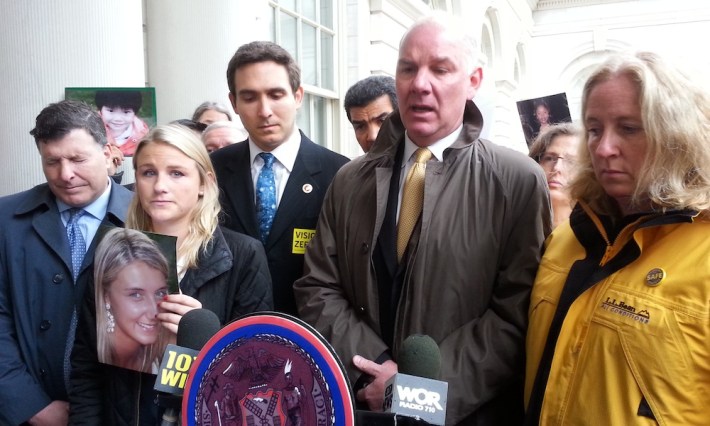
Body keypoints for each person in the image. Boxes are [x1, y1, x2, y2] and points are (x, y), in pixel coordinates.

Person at [294, 13, 550, 425]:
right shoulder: (349, 181)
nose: (420, 84)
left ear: (474, 80)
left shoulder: (517, 181)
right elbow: (318, 285)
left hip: (463, 412)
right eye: (408, 69)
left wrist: (414, 389)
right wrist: (371, 366)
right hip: (363, 403)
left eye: (441, 69)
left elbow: (517, 313)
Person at [524, 51, 710, 425]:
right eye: (594, 129)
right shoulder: (565, 239)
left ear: (675, 134)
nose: (604, 148)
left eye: (628, 128)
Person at [70, 123, 273, 424]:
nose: (160, 186)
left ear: (205, 182)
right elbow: (86, 367)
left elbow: (259, 371)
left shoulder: (243, 255)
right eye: (148, 172)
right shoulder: (111, 252)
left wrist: (206, 336)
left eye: (177, 173)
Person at [0, 100, 132, 425]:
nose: (66, 174)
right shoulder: (7, 220)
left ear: (108, 153)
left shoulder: (145, 221)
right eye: (52, 162)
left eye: (77, 159)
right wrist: (30, 406)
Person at [211, 41, 349, 316]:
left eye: (276, 94)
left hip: (312, 336)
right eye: (249, 97)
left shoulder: (340, 173)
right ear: (233, 103)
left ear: (298, 96)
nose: (264, 111)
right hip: (229, 335)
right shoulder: (211, 170)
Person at [94, 228, 170, 373]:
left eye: (159, 293)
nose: (154, 311)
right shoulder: (90, 356)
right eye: (136, 295)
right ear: (106, 296)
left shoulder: (162, 355)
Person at [528, 122, 581, 228]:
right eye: (549, 158)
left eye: (571, 162)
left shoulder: (598, 238)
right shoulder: (511, 224)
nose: (557, 168)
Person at [344, 75, 398, 152]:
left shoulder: (419, 162)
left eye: (382, 121)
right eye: (361, 126)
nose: (372, 136)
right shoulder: (352, 164)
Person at [95, 89, 150, 156]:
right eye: (111, 111)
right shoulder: (91, 129)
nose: (118, 119)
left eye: (126, 112)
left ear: (134, 114)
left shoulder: (142, 135)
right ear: (100, 110)